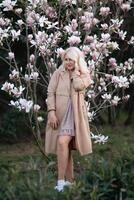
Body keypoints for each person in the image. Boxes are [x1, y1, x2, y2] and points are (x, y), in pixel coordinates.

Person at [45, 46, 92, 192]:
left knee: (62, 141)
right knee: (65, 147)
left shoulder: (84, 75)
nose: (68, 63)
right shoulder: (58, 73)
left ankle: (60, 182)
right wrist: (51, 111)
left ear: (77, 61)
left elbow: (78, 86)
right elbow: (50, 92)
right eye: (66, 60)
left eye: (71, 60)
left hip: (75, 115)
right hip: (60, 114)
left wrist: (76, 73)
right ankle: (70, 183)